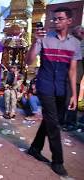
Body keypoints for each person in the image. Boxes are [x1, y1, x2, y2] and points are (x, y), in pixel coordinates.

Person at [26, 7, 81, 176]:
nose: (56, 21)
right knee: (54, 124)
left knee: (50, 120)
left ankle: (35, 148)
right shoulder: (44, 38)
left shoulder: (76, 44)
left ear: (69, 21)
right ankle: (58, 161)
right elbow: (29, 61)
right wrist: (35, 41)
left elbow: (72, 71)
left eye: (60, 19)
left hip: (62, 87)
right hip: (45, 84)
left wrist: (74, 94)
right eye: (54, 19)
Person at [63, 25, 84, 131]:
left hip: (75, 77)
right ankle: (65, 121)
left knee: (70, 100)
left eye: (76, 34)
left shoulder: (81, 45)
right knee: (65, 99)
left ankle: (70, 123)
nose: (73, 36)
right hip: (67, 76)